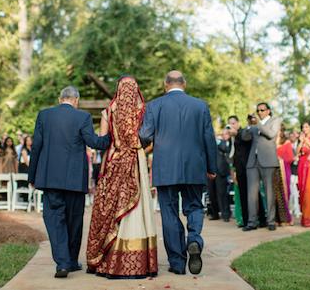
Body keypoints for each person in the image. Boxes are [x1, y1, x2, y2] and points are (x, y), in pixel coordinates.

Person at [139, 71, 217, 275]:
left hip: (166, 168)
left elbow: (144, 135)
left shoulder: (155, 106)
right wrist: (211, 167)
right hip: (194, 166)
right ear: (185, 84)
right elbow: (209, 138)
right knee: (194, 206)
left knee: (169, 213)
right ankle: (194, 240)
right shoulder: (200, 106)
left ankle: (177, 263)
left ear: (165, 85)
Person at [28, 86, 109, 279]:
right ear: (76, 100)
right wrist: (112, 137)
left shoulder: (44, 116)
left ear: (60, 98)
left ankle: (63, 262)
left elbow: (36, 147)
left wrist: (32, 176)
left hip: (50, 179)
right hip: (74, 179)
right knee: (74, 222)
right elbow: (94, 142)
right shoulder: (83, 117)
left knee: (55, 220)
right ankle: (71, 261)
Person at [86, 76, 157, 279]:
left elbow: (103, 141)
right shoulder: (143, 110)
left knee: (111, 207)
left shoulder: (108, 111)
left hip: (114, 162)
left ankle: (109, 260)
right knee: (137, 207)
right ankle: (138, 262)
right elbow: (149, 140)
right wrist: (139, 148)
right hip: (137, 161)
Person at [244, 102, 282, 232]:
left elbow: (271, 134)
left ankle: (271, 221)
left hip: (268, 161)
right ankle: (252, 222)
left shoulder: (275, 120)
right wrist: (249, 125)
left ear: (268, 111)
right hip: (253, 161)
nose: (259, 112)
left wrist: (257, 124)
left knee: (269, 193)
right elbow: (245, 137)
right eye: (258, 110)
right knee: (252, 194)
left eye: (262, 110)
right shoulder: (254, 125)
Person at [227, 115, 265, 227]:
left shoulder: (244, 132)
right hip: (239, 169)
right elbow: (234, 154)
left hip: (250, 167)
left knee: (255, 194)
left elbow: (246, 139)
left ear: (238, 123)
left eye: (233, 123)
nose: (231, 126)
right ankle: (246, 220)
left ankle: (262, 219)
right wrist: (233, 170)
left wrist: (236, 134)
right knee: (242, 194)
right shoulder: (232, 137)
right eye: (230, 124)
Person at [208, 129, 232, 222]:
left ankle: (225, 214)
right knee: (211, 194)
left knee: (222, 193)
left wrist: (217, 141)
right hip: (209, 171)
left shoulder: (221, 142)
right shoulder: (206, 144)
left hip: (220, 170)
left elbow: (226, 149)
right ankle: (215, 214)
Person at [274, 127, 293, 225]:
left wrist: (280, 159)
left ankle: (286, 218)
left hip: (283, 171)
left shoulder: (286, 143)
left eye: (278, 130)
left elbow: (290, 158)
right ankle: (277, 219)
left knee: (284, 194)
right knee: (274, 195)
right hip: (273, 171)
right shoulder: (270, 143)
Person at [288, 130, 301, 218]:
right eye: (291, 135)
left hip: (299, 170)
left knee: (296, 192)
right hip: (291, 171)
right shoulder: (288, 146)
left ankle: (294, 209)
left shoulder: (300, 144)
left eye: (294, 135)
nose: (292, 136)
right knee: (293, 192)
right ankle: (295, 210)